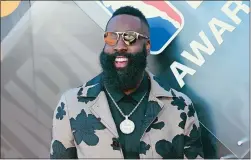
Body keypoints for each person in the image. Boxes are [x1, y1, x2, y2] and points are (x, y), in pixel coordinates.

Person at [50, 6, 204, 159]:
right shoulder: (71, 105)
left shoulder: (180, 107)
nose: (119, 46)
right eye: (111, 37)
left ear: (147, 46)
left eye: (130, 37)